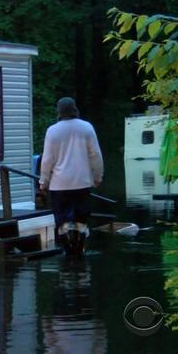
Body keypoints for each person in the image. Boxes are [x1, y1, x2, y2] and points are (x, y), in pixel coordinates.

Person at [39, 97, 103, 255]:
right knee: (81, 218)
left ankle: (67, 250)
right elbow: (96, 155)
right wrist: (97, 176)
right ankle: (81, 247)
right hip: (82, 182)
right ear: (75, 109)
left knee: (61, 221)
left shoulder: (52, 131)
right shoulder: (87, 128)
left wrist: (43, 182)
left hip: (59, 184)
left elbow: (47, 160)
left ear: (59, 112)